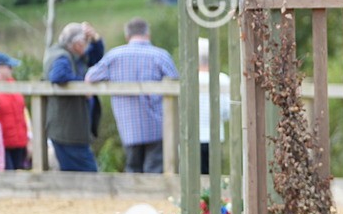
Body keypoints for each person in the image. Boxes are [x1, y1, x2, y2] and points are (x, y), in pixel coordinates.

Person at [85, 18, 179, 173]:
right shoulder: (161, 55)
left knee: (132, 169)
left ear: (127, 36)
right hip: (158, 126)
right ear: (147, 34)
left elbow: (90, 77)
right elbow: (176, 84)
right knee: (154, 171)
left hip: (128, 127)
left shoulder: (114, 56)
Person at [44, 22, 105, 172]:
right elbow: (58, 75)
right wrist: (84, 85)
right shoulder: (62, 56)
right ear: (77, 43)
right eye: (85, 41)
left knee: (77, 177)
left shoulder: (73, 55)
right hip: (68, 133)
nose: (87, 44)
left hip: (72, 131)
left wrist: (96, 39)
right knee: (89, 177)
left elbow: (96, 58)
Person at [197, 38, 231, 175]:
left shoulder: (188, 79)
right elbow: (227, 112)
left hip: (192, 136)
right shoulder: (222, 79)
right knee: (213, 175)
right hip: (215, 135)